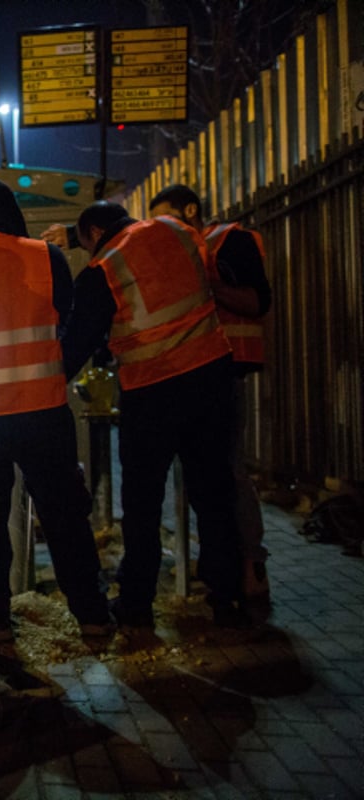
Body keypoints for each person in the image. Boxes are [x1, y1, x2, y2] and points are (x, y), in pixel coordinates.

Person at [0, 176, 112, 642]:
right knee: (64, 512)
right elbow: (65, 316)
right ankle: (91, 614)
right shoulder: (44, 257)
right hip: (41, 408)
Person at [61, 201, 248, 629]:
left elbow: (78, 344)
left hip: (153, 392)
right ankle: (227, 598)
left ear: (92, 233)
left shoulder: (104, 267)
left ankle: (136, 605)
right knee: (214, 493)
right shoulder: (177, 229)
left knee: (143, 504)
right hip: (211, 377)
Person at [146, 184, 273, 606]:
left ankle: (249, 566)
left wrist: (201, 285)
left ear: (192, 210)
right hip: (193, 376)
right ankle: (221, 566)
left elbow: (257, 301)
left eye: (171, 219)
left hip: (227, 371)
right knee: (206, 478)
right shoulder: (180, 251)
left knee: (229, 473)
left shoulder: (229, 241)